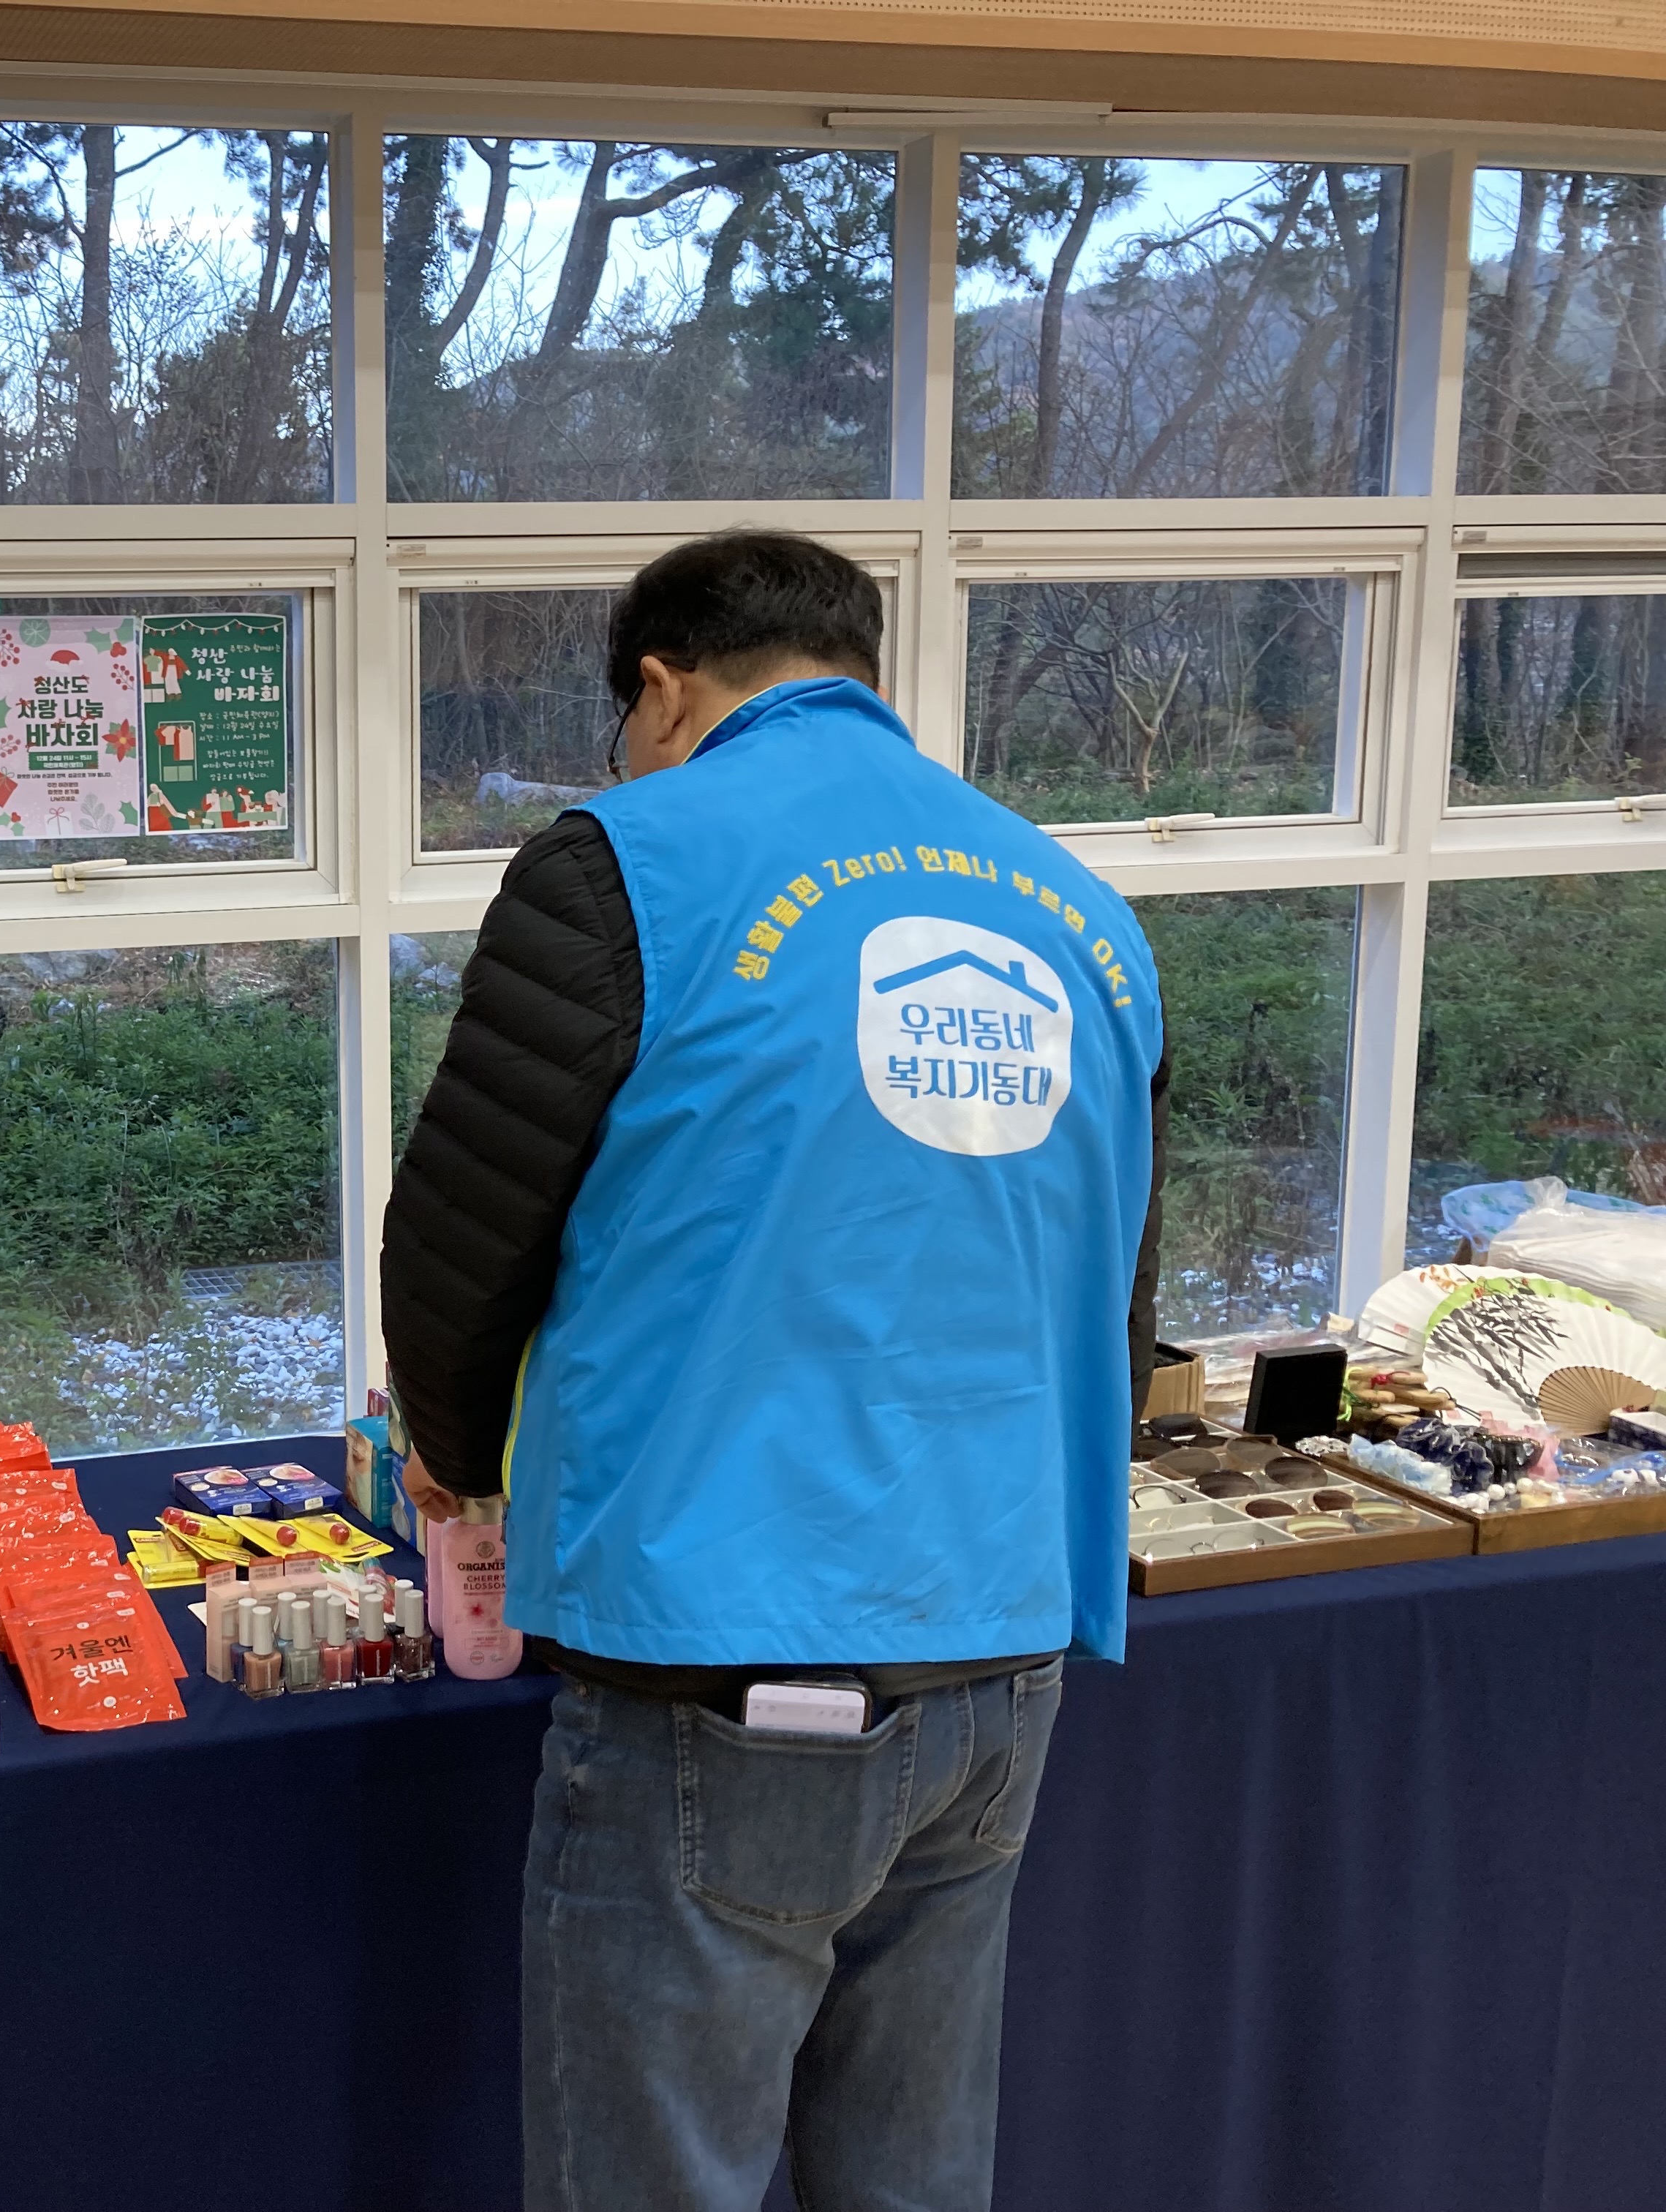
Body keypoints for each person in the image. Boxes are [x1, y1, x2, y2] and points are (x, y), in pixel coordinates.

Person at [380, 531, 1166, 2212]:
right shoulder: (1083, 915)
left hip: (724, 1660)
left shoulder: (622, 863)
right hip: (1002, 1657)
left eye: (630, 723)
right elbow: (1116, 1295)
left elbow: (461, 1243)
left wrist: (453, 1455)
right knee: (912, 2180)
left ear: (663, 691)